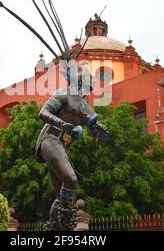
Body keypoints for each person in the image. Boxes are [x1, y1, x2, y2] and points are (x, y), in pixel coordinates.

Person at [36, 69, 108, 230]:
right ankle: (67, 222)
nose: (93, 83)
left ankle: (53, 226)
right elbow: (43, 112)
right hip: (50, 139)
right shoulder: (64, 94)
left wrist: (100, 134)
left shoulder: (85, 107)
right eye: (90, 80)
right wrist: (60, 123)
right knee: (71, 180)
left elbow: (95, 129)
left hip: (63, 146)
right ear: (81, 81)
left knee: (60, 195)